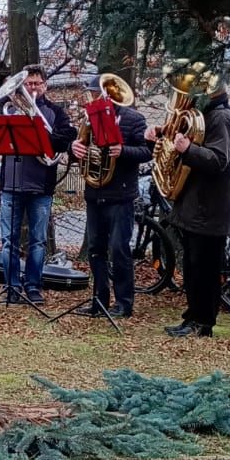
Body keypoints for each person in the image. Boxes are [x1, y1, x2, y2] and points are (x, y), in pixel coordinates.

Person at [150, 82, 230, 338]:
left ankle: (203, 323)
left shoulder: (222, 118)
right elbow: (180, 149)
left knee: (205, 270)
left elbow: (218, 160)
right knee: (193, 268)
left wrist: (187, 149)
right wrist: (161, 139)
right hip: (195, 206)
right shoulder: (204, 117)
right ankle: (192, 318)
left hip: (209, 209)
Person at [0, 66, 77, 304]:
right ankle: (12, 287)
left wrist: (40, 135)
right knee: (8, 241)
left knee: (38, 241)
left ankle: (33, 286)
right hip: (11, 184)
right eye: (28, 83)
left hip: (41, 186)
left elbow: (66, 137)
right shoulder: (10, 110)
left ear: (45, 86)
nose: (31, 88)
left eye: (36, 83)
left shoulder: (55, 112)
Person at [70, 90, 151, 317]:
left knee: (118, 249)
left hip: (120, 196)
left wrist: (123, 150)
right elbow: (80, 150)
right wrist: (73, 148)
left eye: (100, 93)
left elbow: (147, 151)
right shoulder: (89, 119)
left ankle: (124, 303)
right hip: (95, 193)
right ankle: (99, 300)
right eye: (94, 94)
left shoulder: (134, 119)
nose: (97, 98)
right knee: (95, 249)